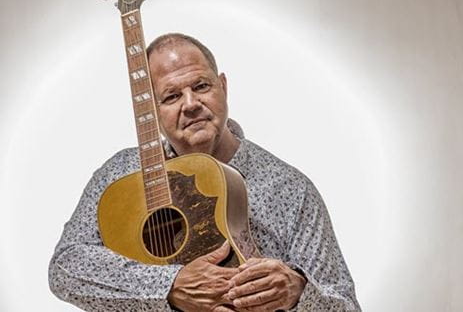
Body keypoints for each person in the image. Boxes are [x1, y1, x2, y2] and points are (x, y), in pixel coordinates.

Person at [49, 33, 361, 311]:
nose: (191, 103)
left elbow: (345, 306)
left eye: (201, 86)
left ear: (222, 87)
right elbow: (65, 268)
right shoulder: (121, 174)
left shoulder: (290, 188)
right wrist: (170, 285)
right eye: (171, 96)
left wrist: (299, 291)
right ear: (151, 111)